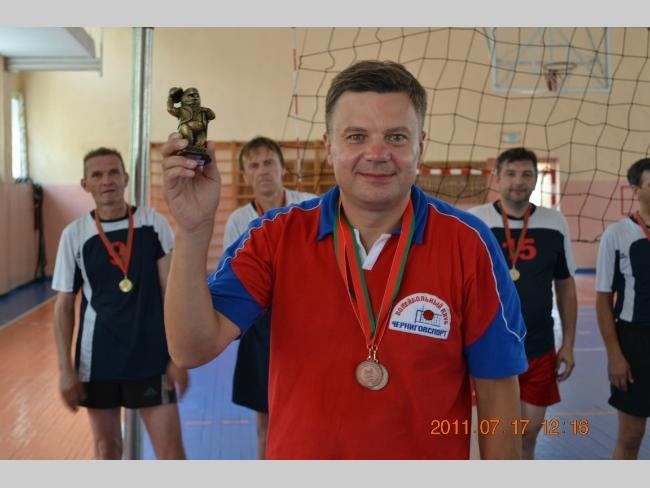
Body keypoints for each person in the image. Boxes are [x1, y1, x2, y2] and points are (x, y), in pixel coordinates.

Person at [161, 60, 528, 459]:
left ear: (420, 146)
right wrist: (192, 230)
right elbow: (190, 349)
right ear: (329, 146)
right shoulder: (275, 237)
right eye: (356, 136)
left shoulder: (469, 245)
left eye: (396, 137)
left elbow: (498, 392)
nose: (377, 153)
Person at [52, 147, 188, 460]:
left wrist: (178, 356)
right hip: (98, 361)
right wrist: (65, 369)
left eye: (113, 172)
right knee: (107, 450)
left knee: (172, 455)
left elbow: (171, 294)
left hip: (151, 357)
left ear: (125, 178)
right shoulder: (74, 235)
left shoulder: (153, 224)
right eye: (97, 175)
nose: (107, 180)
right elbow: (63, 307)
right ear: (85, 184)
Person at [468, 147, 577, 459]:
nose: (519, 181)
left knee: (527, 435)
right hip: (487, 347)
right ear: (497, 177)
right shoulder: (476, 220)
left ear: (535, 179)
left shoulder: (554, 222)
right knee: (489, 438)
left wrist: (568, 344)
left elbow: (565, 285)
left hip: (539, 347)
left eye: (527, 174)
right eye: (511, 173)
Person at [225, 136, 317, 459]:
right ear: (246, 175)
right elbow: (235, 279)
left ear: (283, 168)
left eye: (269, 162)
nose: (262, 170)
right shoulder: (239, 221)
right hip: (261, 330)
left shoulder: (310, 206)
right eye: (254, 165)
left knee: (314, 416)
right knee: (266, 422)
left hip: (310, 327)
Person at [596, 157, 650, 459]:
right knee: (631, 435)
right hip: (636, 341)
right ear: (635, 190)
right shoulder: (616, 235)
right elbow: (604, 299)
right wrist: (615, 355)